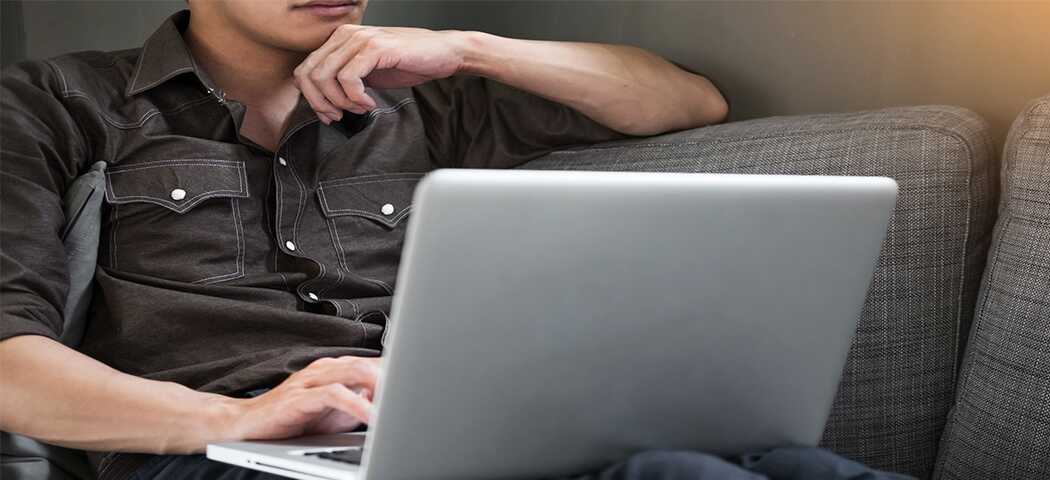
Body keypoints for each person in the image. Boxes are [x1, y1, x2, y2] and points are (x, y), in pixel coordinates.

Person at [0, 1, 909, 479]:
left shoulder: (425, 99)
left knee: (784, 463)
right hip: (215, 458)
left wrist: (470, 47)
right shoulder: (57, 104)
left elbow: (684, 100)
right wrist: (235, 419)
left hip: (442, 435)